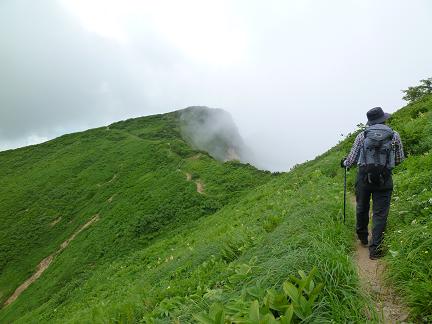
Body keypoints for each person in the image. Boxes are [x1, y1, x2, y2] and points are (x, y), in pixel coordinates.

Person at [341, 107, 405, 260]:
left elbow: (352, 160)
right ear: (384, 119)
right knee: (380, 213)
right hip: (384, 179)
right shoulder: (393, 135)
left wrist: (344, 163)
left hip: (364, 178)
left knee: (362, 207)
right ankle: (375, 250)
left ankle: (363, 237)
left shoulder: (362, 136)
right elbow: (399, 159)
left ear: (370, 122)